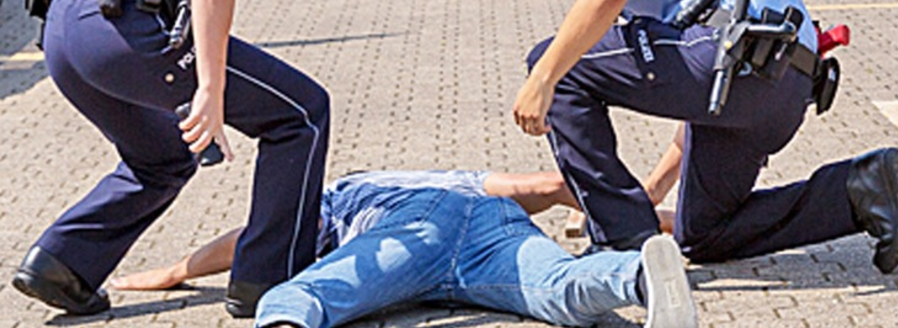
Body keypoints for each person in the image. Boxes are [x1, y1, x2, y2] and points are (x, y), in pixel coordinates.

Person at [12, 0, 356, 318]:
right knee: (302, 113)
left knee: (163, 158)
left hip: (65, 33)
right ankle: (267, 279)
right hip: (122, 30)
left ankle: (63, 265)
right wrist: (210, 90)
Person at [508, 0, 898, 274]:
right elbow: (695, 94)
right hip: (783, 87)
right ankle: (859, 189)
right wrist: (651, 192)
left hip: (732, 58)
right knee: (703, 233)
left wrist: (542, 78)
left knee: (556, 64)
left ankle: (621, 243)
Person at [110, 170, 700, 328]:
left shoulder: (340, 193)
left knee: (301, 295)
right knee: (558, 292)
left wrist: (172, 271)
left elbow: (255, 237)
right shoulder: (448, 173)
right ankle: (640, 279)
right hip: (493, 224)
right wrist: (651, 216)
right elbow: (540, 188)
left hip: (409, 227)